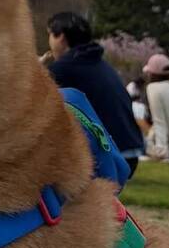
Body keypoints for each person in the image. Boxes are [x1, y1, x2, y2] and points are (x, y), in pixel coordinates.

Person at [44, 12, 144, 175]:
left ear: (60, 37)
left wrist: (34, 70)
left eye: (49, 35)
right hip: (130, 149)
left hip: (110, 154)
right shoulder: (97, 63)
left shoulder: (64, 68)